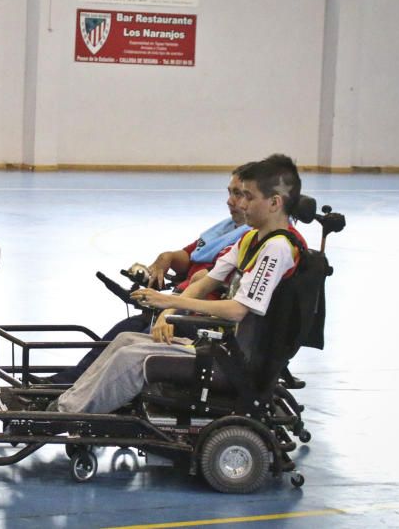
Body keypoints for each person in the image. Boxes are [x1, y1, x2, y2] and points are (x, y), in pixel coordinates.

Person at [54, 154, 305, 414]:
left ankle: (65, 415)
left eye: (249, 197)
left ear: (274, 203)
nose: (241, 205)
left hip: (233, 361)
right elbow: (205, 283)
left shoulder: (278, 248)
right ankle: (66, 402)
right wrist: (168, 313)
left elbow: (238, 310)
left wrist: (171, 300)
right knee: (125, 340)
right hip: (221, 346)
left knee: (130, 358)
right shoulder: (251, 239)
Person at [45, 165, 251, 384]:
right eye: (230, 192)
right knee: (125, 331)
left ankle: (72, 391)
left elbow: (202, 282)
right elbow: (188, 258)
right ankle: (67, 383)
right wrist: (166, 258)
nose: (230, 201)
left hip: (199, 320)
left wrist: (169, 307)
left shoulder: (251, 242)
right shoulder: (226, 230)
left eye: (238, 194)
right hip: (180, 308)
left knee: (129, 346)